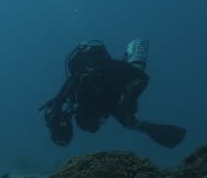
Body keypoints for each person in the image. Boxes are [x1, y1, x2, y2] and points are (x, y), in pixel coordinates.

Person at [39, 39, 187, 148]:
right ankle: (144, 126)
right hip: (106, 101)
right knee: (126, 123)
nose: (91, 71)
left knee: (129, 122)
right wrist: (58, 125)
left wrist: (130, 97)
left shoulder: (112, 68)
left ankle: (150, 128)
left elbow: (142, 78)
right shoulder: (78, 79)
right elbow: (60, 100)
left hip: (117, 97)